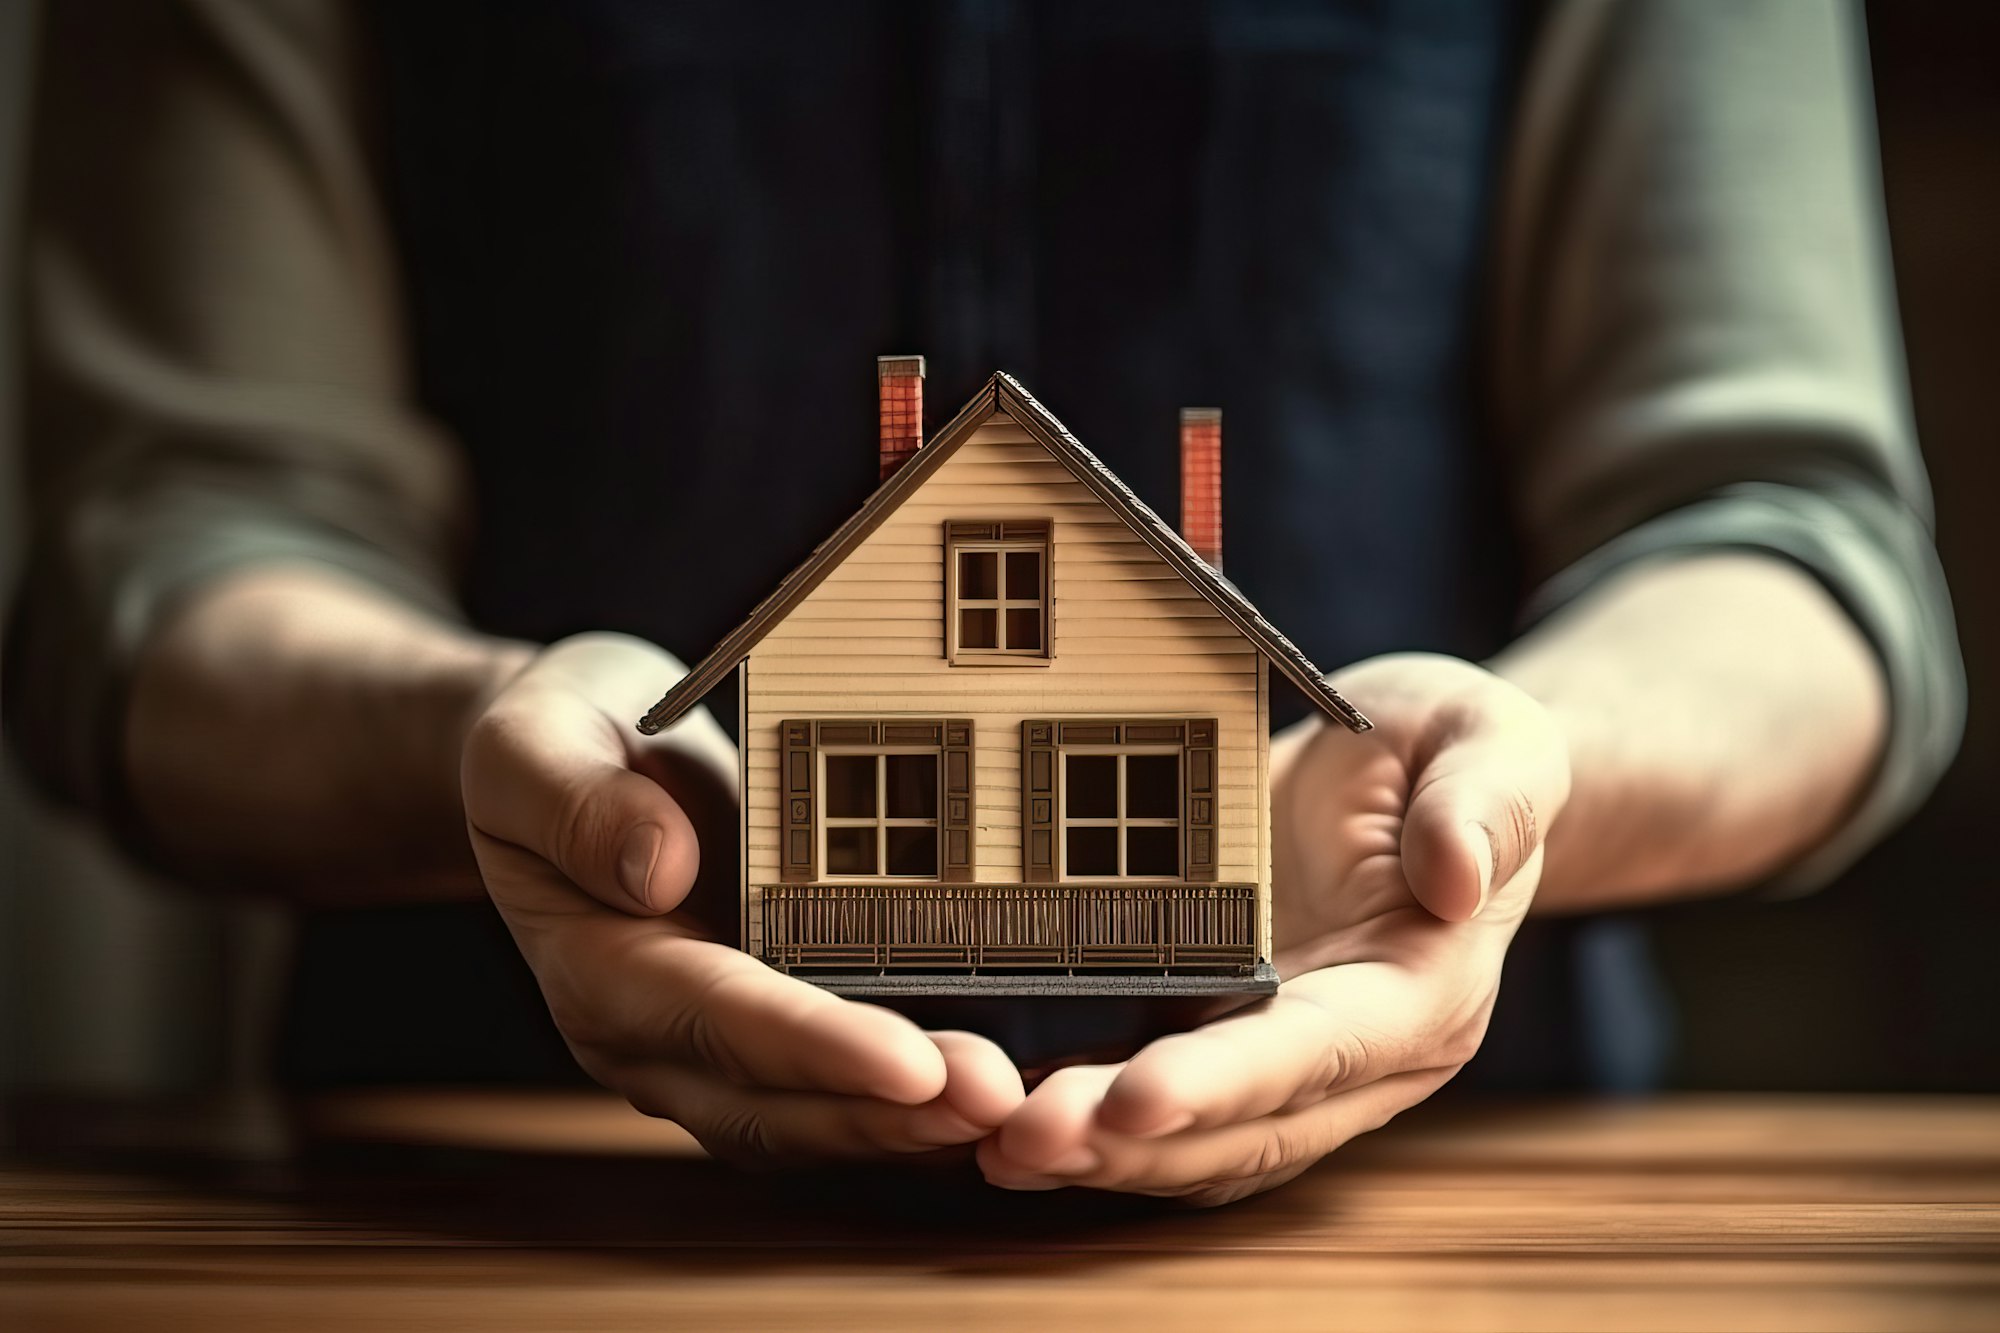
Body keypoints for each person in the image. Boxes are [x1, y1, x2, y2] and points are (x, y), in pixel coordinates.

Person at [5, 0, 1961, 1206]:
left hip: (1442, 1224)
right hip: (491, 1198)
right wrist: (490, 728)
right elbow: (161, 555)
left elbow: (1787, 542)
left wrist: (1525, 771)